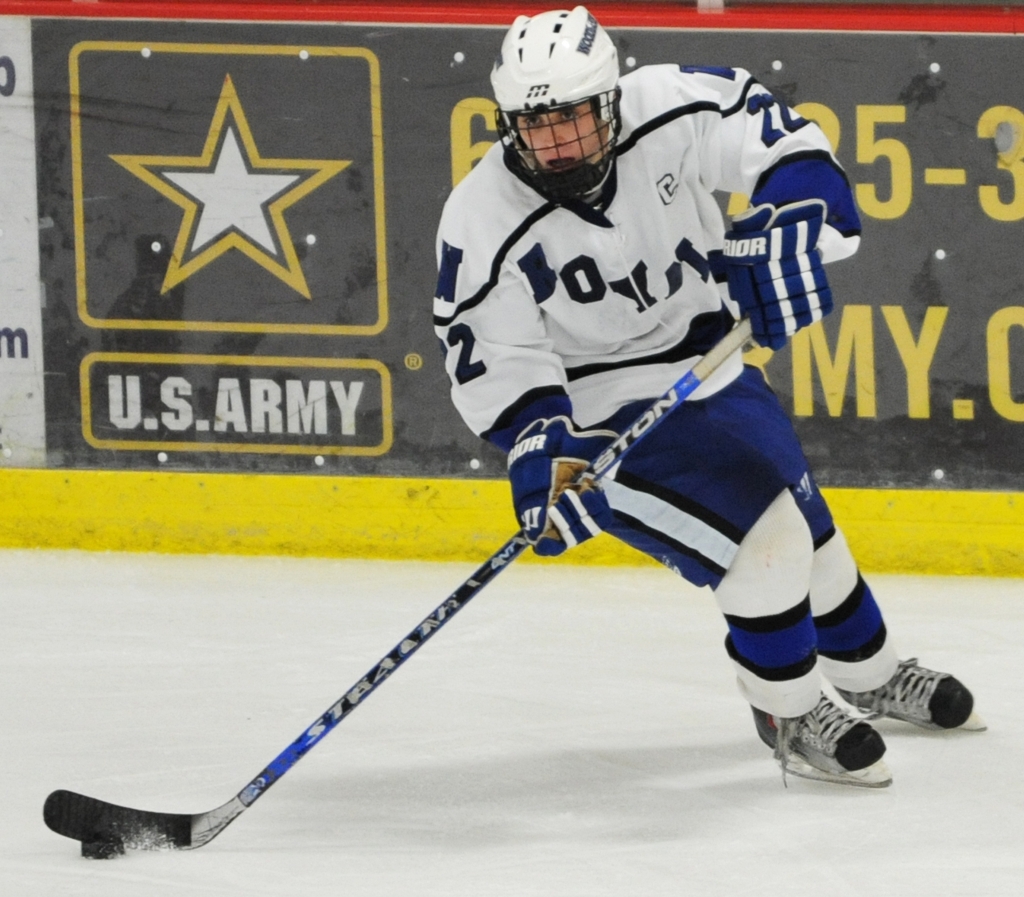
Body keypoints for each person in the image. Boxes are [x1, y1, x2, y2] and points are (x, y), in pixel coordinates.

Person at [432, 6, 984, 787]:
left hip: (712, 363)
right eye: (534, 125)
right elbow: (496, 358)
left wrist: (788, 220)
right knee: (768, 548)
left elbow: (788, 146)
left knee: (814, 537)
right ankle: (788, 709)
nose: (555, 144)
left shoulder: (670, 104)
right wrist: (541, 443)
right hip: (602, 414)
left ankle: (872, 674)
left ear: (610, 100)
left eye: (572, 119)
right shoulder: (480, 216)